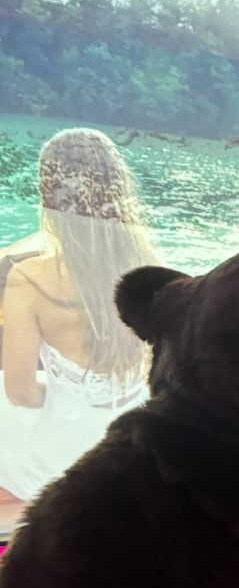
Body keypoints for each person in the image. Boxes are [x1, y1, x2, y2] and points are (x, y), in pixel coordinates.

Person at [0, 128, 158, 504]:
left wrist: (61, 396)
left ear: (49, 196)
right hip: (130, 443)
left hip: (64, 454)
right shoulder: (151, 265)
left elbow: (20, 393)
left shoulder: (30, 280)